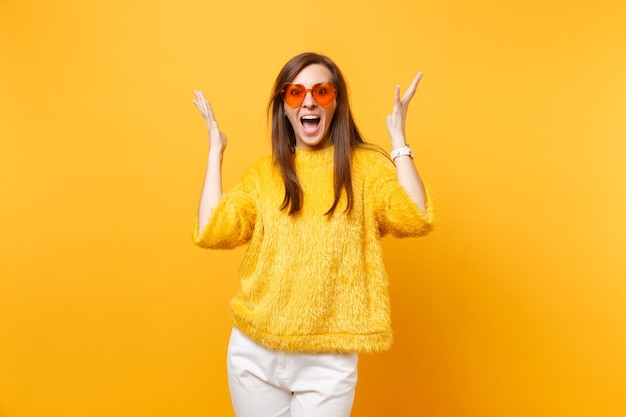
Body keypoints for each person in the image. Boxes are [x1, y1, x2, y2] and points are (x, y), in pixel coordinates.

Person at [191, 52, 434, 417]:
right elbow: (214, 231)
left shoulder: (364, 168)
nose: (308, 101)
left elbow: (414, 218)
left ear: (335, 102)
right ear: (284, 107)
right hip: (255, 352)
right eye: (295, 93)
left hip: (328, 360)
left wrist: (399, 141)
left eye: (321, 91)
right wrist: (215, 153)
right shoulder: (263, 175)